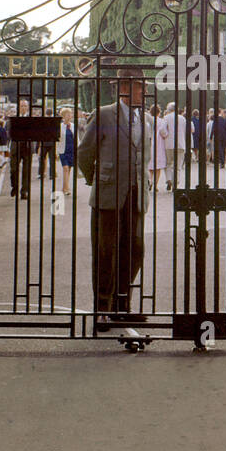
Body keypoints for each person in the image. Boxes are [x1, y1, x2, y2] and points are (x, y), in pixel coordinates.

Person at [76, 68, 149, 325]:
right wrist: (96, 179)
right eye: (139, 86)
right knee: (106, 252)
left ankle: (122, 305)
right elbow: (84, 153)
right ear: (124, 88)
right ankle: (102, 310)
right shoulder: (104, 114)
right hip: (108, 195)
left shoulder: (145, 118)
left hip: (136, 196)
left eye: (143, 85)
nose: (144, 90)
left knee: (134, 250)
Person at [9, 97, 32, 200]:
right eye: (22, 106)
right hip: (16, 146)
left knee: (26, 170)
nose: (23, 108)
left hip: (27, 147)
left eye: (25, 106)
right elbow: (9, 132)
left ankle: (24, 191)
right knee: (13, 169)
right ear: (19, 107)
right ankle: (15, 186)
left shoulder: (31, 119)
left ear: (28, 107)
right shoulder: (13, 119)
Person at [146, 102, 166, 191]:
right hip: (159, 144)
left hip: (149, 143)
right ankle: (155, 184)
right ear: (159, 112)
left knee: (150, 166)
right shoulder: (161, 121)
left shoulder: (148, 121)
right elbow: (164, 132)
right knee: (158, 167)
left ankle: (150, 180)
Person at [58, 107, 76, 196]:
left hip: (71, 149)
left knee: (68, 169)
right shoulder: (60, 126)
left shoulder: (73, 125)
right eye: (68, 114)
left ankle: (64, 187)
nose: (70, 116)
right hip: (63, 150)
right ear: (63, 116)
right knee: (65, 168)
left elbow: (77, 139)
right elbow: (57, 139)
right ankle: (66, 188)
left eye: (71, 114)